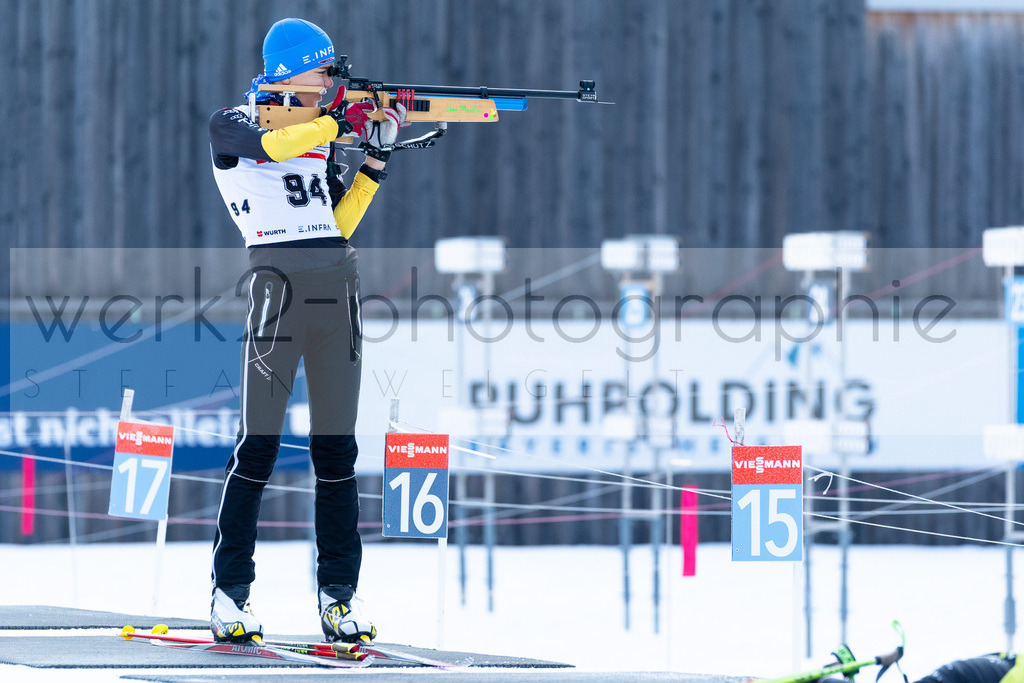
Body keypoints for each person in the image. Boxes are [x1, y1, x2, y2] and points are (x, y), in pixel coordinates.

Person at [206, 17, 406, 645]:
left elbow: (335, 224)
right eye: (322, 73)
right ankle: (230, 594)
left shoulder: (316, 133)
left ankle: (339, 599)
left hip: (336, 289)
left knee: (337, 452)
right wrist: (336, 123)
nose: (329, 84)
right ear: (289, 74)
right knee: (258, 447)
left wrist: (373, 160)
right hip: (278, 291)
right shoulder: (234, 122)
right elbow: (269, 149)